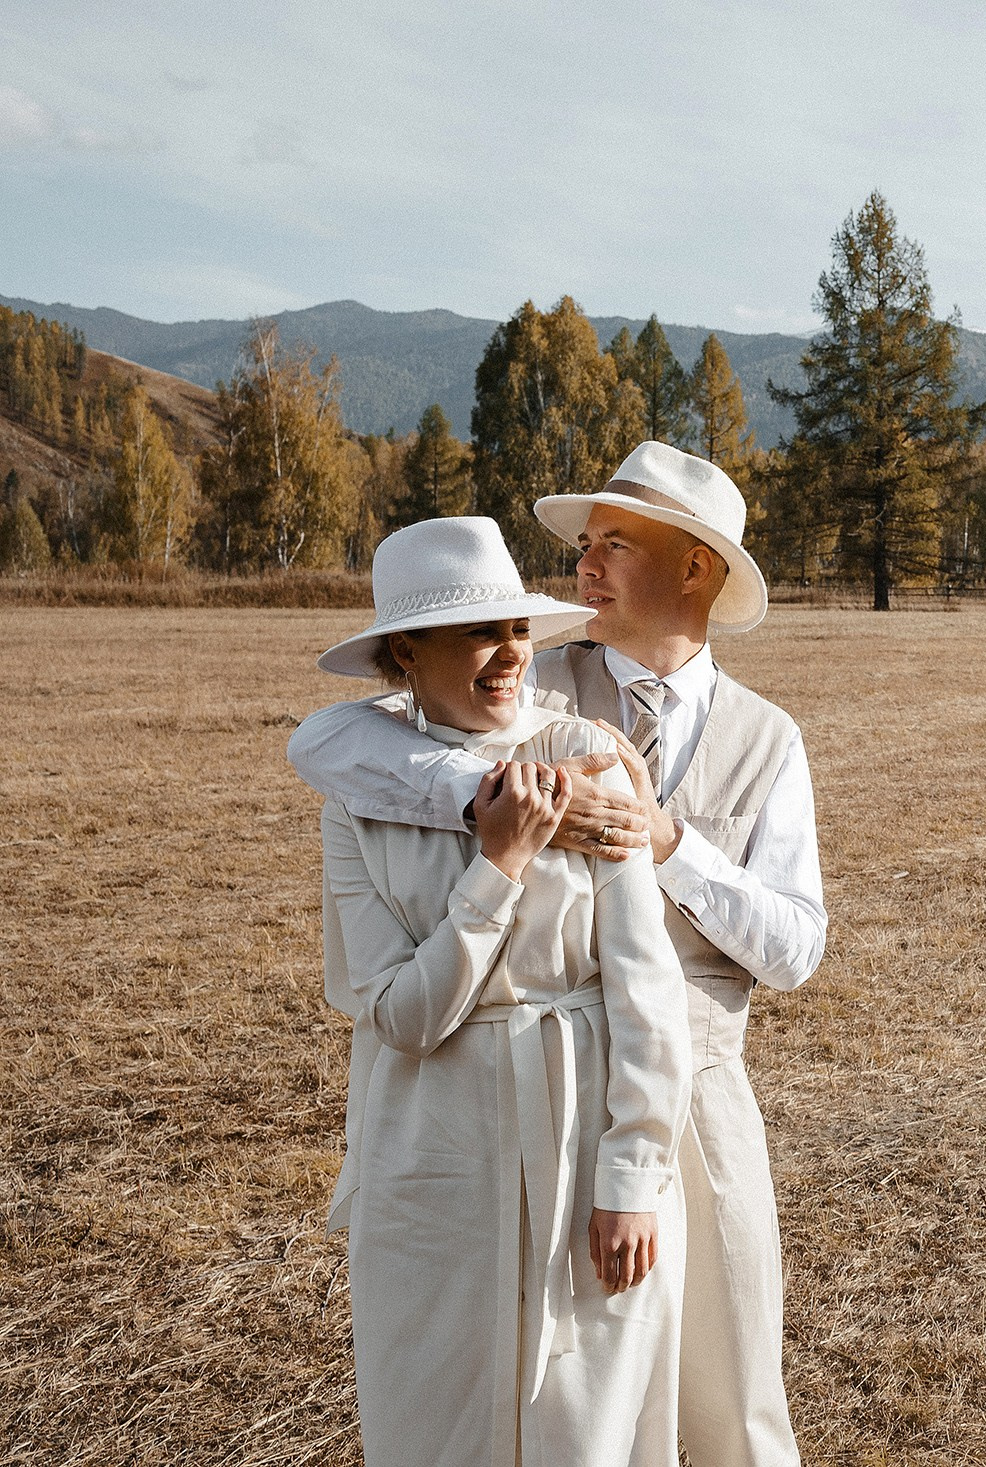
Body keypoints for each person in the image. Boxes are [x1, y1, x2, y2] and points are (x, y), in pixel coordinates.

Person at [291, 442, 823, 1467]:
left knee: (732, 1399)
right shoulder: (539, 697)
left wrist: (664, 842)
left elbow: (795, 947)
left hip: (692, 1081)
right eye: (583, 545)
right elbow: (336, 746)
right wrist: (509, 811)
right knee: (522, 1393)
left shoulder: (768, 739)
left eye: (613, 544)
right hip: (507, 1093)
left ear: (696, 568)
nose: (584, 564)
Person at [313, 515, 691, 1466]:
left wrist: (634, 1175)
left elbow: (647, 990)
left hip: (575, 1138)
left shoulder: (588, 758)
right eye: (481, 631)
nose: (511, 653)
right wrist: (501, 866)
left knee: (581, 1424)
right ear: (407, 648)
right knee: (435, 1422)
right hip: (426, 1156)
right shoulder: (355, 799)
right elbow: (400, 1014)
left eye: (520, 628)